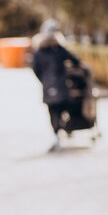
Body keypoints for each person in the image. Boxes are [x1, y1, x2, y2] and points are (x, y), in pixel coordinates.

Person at [32, 19, 81, 152]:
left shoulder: (39, 52)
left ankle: (56, 134)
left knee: (53, 112)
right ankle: (62, 130)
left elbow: (36, 69)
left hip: (48, 87)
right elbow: (76, 60)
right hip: (62, 86)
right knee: (63, 108)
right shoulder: (59, 49)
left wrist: (44, 80)